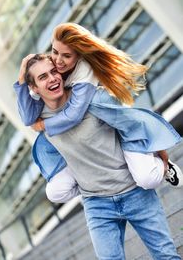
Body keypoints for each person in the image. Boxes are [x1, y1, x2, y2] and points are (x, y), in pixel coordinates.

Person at [22, 54, 181, 259]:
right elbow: (21, 98)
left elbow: (134, 125)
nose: (52, 78)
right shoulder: (39, 120)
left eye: (54, 72)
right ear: (34, 88)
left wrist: (163, 159)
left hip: (134, 192)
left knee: (166, 255)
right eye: (43, 77)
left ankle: (160, 167)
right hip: (97, 204)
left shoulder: (92, 99)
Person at [13, 23, 183, 203]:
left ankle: (163, 167)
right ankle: (100, 184)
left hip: (119, 130)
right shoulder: (50, 70)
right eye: (55, 52)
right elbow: (27, 118)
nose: (58, 61)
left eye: (66, 55)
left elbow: (73, 115)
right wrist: (22, 76)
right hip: (89, 147)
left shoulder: (84, 71)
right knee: (55, 193)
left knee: (147, 179)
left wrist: (43, 125)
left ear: (79, 55)